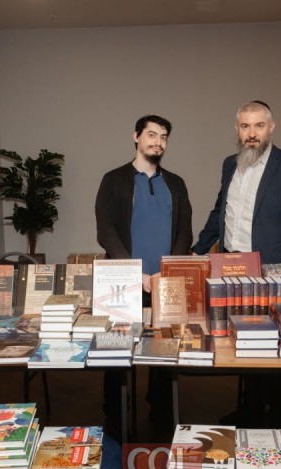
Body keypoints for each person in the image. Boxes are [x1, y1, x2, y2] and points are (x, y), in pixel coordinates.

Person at [192, 100, 281, 428]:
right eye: (245, 126)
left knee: (275, 343)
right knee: (243, 337)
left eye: (259, 126)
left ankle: (278, 415)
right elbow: (220, 211)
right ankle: (249, 410)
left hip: (274, 271)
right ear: (237, 129)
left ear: (271, 127)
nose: (252, 133)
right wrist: (197, 251)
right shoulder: (229, 164)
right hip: (232, 269)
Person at [95, 114, 193, 437]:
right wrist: (134, 272)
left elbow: (185, 231)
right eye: (151, 135)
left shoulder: (176, 184)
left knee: (163, 350)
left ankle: (160, 411)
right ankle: (115, 415)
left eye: (163, 137)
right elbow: (106, 230)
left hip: (165, 283)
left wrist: (167, 271)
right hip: (123, 283)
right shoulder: (113, 180)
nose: (158, 142)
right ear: (136, 136)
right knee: (116, 351)